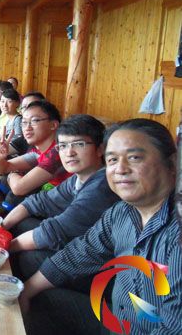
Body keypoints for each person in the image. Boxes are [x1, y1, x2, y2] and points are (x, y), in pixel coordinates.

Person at [20, 119, 182, 335]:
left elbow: (172, 328)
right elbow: (80, 253)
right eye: (112, 159)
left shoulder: (177, 234)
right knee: (38, 300)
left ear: (172, 163)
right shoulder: (121, 213)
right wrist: (26, 291)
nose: (120, 169)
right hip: (117, 318)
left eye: (134, 157)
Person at [2, 115, 119, 280]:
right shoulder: (79, 177)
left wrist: (3, 248)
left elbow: (56, 231)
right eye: (63, 146)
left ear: (100, 149)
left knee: (30, 259)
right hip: (78, 244)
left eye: (79, 144)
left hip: (104, 269)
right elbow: (40, 201)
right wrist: (2, 227)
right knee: (23, 224)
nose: (69, 152)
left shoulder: (102, 186)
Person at [0, 101, 71, 207]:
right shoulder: (37, 151)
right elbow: (3, 168)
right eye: (24, 122)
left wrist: (12, 174)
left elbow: (19, 188)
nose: (27, 127)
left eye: (34, 120)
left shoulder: (59, 151)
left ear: (53, 125)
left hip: (62, 208)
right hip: (48, 201)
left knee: (16, 198)